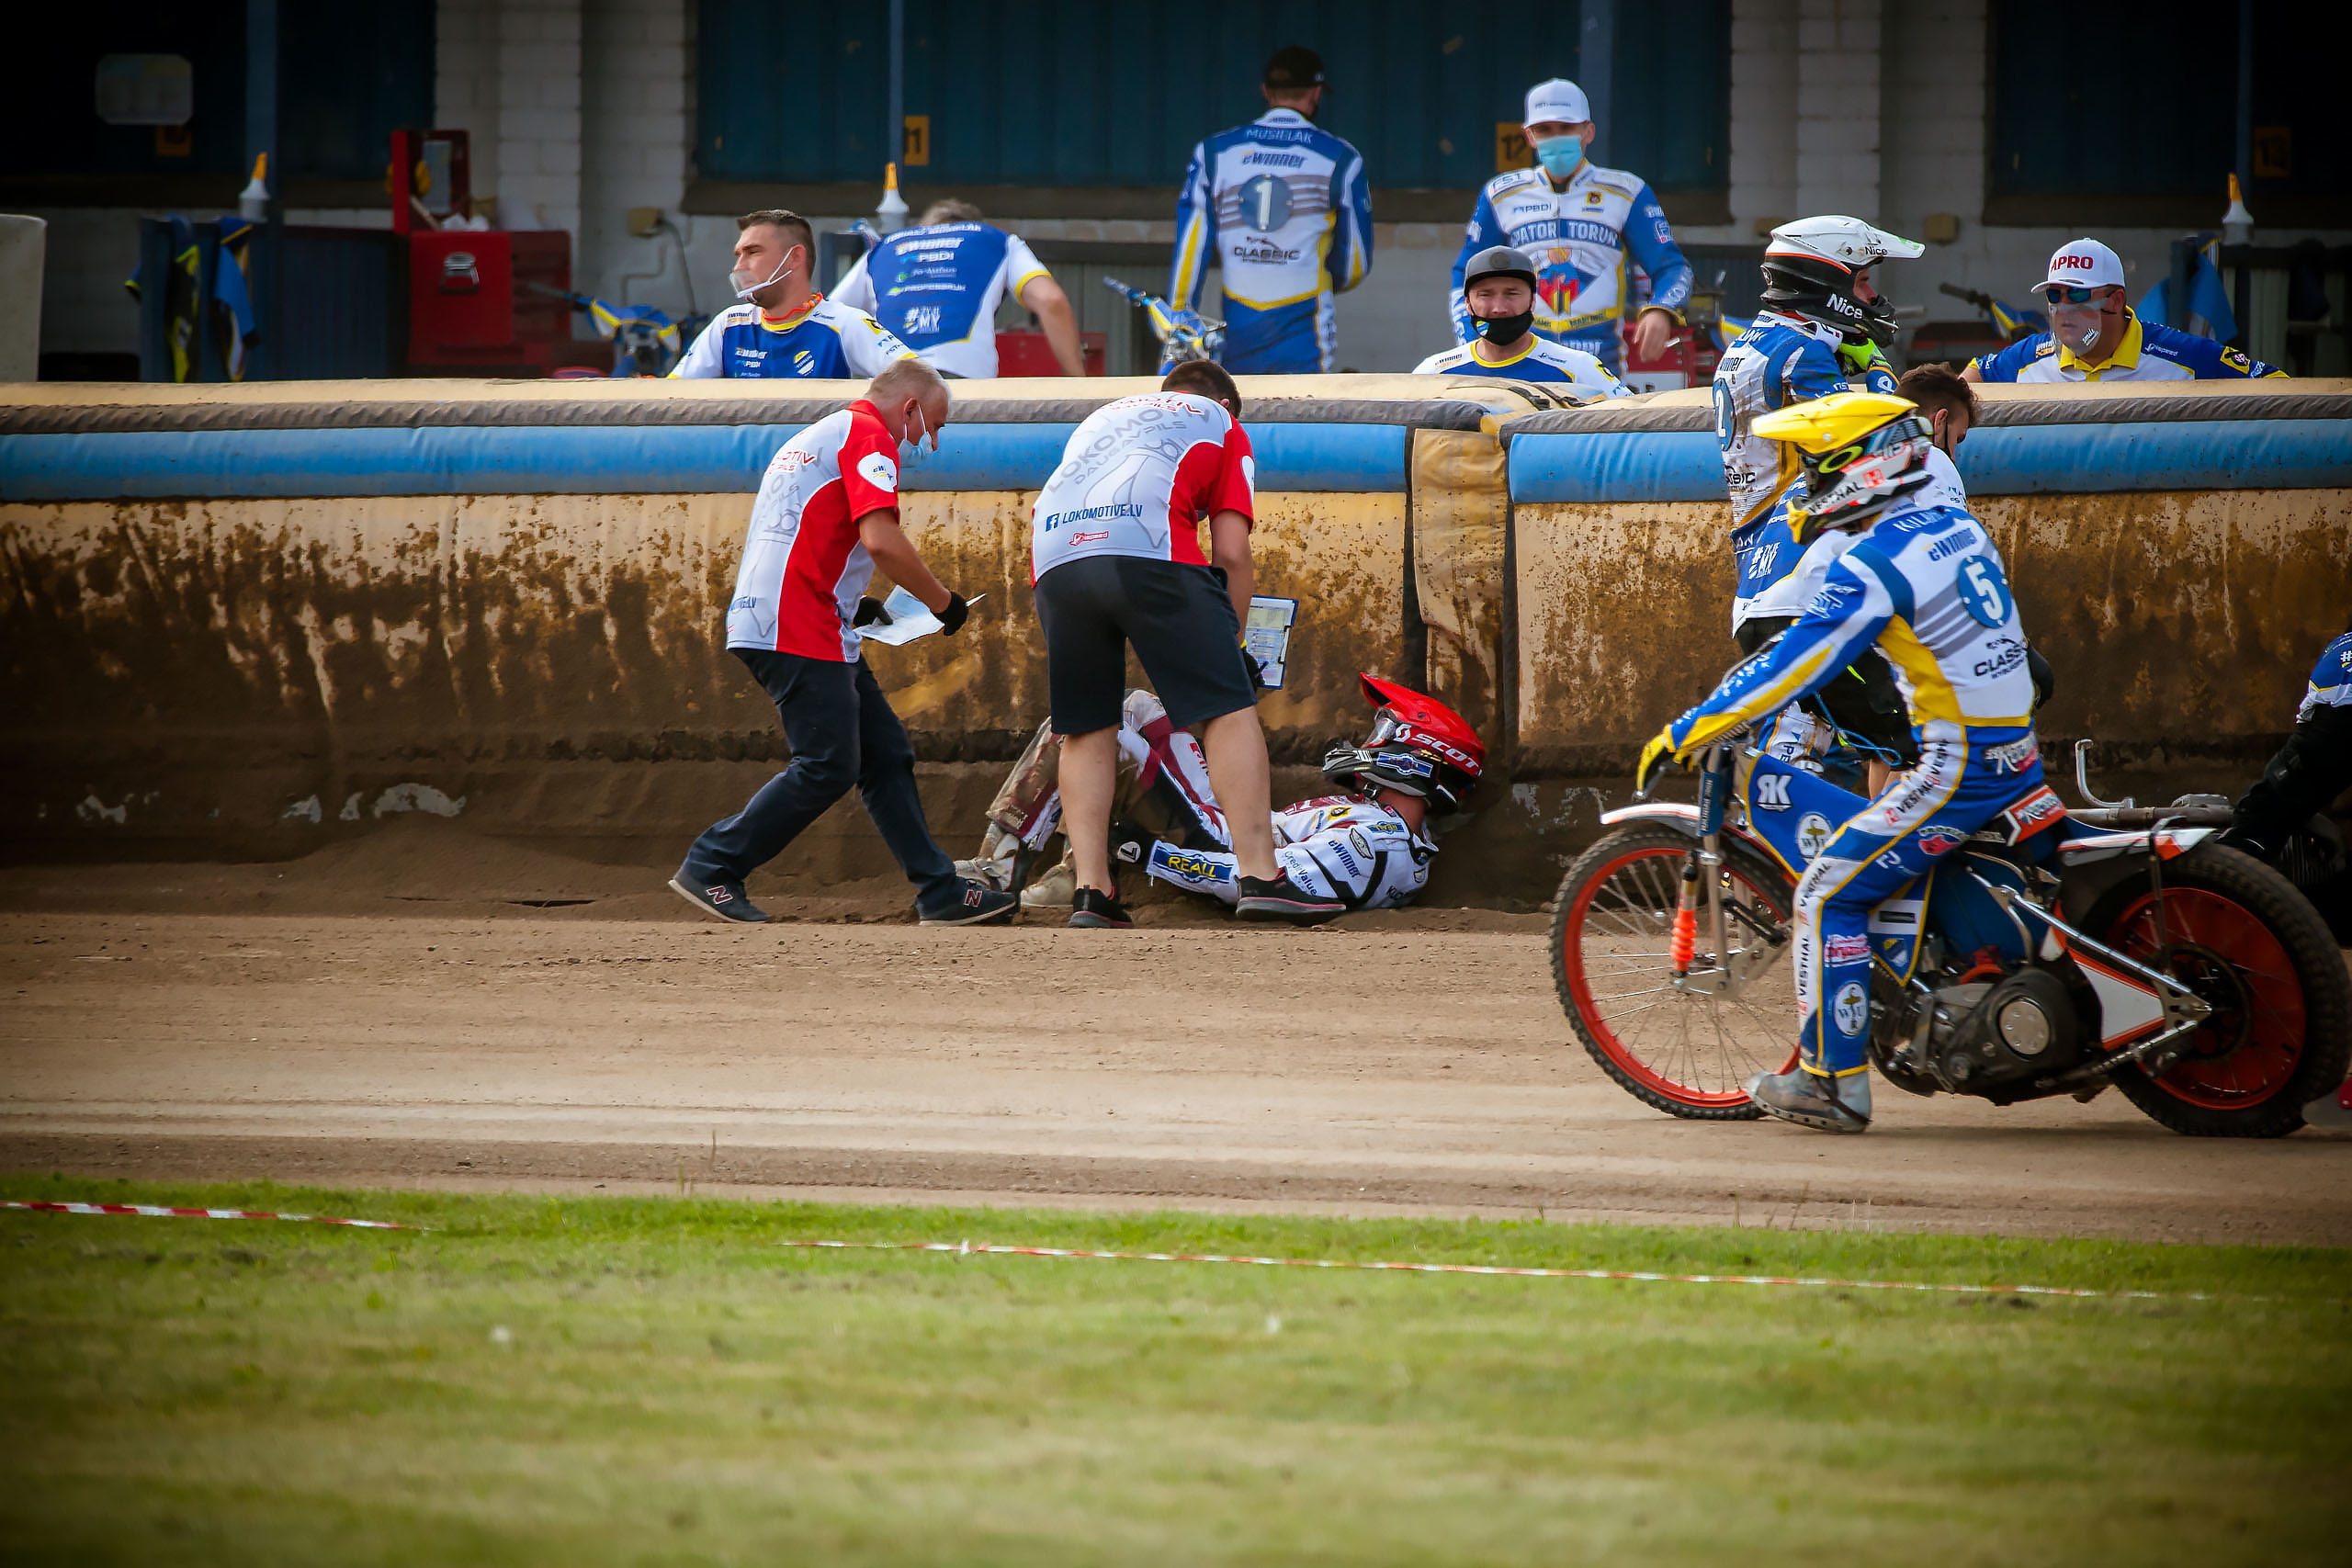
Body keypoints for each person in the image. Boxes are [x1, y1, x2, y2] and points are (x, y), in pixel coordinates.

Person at [1638, 391, 2047, 1134]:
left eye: (1820, 468)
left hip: (1959, 769)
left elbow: (1792, 663)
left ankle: (1831, 1084)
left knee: (1827, 893)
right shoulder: (1954, 525)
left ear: (1866, 466)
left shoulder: (1875, 561)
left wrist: (1691, 727)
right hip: (2015, 753)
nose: (1807, 485)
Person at [669, 359, 1016, 927]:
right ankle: (713, 864)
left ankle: (938, 891)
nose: (931, 440)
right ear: (909, 409)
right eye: (934, 425)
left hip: (798, 616)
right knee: (829, 764)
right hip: (798, 622)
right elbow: (881, 541)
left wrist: (856, 605)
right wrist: (942, 602)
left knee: (884, 756)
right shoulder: (870, 436)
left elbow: (811, 532)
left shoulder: (821, 434)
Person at [1028, 359, 1341, 927]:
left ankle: (1092, 893)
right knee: (1226, 709)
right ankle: (1261, 877)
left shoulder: (1100, 421)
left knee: (1085, 727)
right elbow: (1231, 553)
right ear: (1226, 405)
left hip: (1056, 561)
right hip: (1147, 550)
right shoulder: (1221, 423)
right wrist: (1232, 643)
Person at [958, 676, 1481, 914]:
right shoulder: (1387, 831)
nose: (1367, 746)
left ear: (1417, 757)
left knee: (1093, 728)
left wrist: (1148, 854)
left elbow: (1255, 881)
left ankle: (998, 870)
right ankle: (1075, 874)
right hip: (1223, 829)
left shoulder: (1381, 838)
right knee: (1136, 705)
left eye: (1380, 736)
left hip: (1218, 845)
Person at [1714, 216, 1917, 637]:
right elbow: (1874, 451)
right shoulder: (1803, 352)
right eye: (1861, 282)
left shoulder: (1751, 340)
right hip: (1802, 558)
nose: (1872, 295)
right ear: (1828, 284)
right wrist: (1880, 371)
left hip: (1758, 552)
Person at [1451, 78, 1691, 379]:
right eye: (1544, 130)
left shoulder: (1627, 191)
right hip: (1518, 359)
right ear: (1529, 136)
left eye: (1566, 128)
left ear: (1588, 131)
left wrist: (1661, 310)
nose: (1556, 138)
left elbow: (1672, 268)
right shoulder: (1500, 194)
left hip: (1600, 362)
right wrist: (1470, 338)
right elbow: (1464, 274)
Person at [1168, 46, 1374, 375]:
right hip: (1306, 329)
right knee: (1306, 418)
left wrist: (1180, 309)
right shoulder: (1341, 158)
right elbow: (1355, 265)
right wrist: (1314, 275)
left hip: (1237, 326)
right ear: (1317, 93)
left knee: (1237, 413)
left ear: (1266, 91)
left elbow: (1192, 246)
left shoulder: (1214, 153)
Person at [1964, 239, 2287, 384]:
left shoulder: (2179, 354)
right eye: (2054, 294)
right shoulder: (2030, 357)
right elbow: (1975, 373)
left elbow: (2274, 381)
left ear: (2116, 301)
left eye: (2077, 294)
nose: (2063, 307)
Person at [833, 199, 1085, 379]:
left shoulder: (884, 248)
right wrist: (1076, 388)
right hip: (964, 385)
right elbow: (1051, 301)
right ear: (972, 226)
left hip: (889, 382)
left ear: (924, 227)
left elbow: (831, 318)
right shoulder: (995, 240)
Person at [671, 209, 916, 379]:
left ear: (795, 258)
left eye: (753, 252)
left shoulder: (845, 323)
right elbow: (674, 396)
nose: (738, 267)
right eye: (739, 255)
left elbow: (919, 378)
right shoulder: (729, 324)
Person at [2222, 619, 2352, 931]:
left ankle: (2221, 904)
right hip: (2335, 711)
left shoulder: (2342, 649)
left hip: (2336, 712)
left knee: (2264, 808)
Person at [1413, 244, 1631, 397]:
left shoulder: (1579, 369)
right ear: (1468, 304)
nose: (1499, 308)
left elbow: (1630, 422)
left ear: (1532, 302)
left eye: (1511, 294)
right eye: (1485, 295)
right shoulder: (1434, 373)